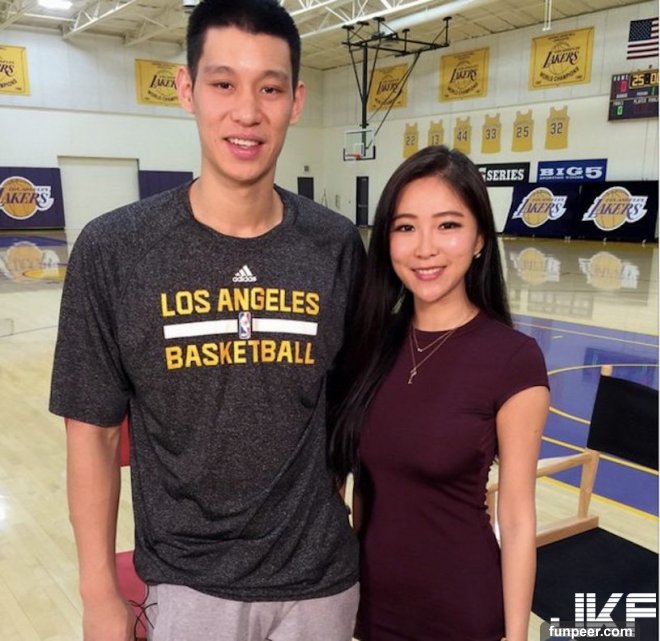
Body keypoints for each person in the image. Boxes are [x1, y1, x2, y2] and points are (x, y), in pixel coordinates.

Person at [50, 1, 363, 640]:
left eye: (269, 88)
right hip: (189, 587)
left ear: (296, 101)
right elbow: (94, 436)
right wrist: (98, 594)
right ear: (186, 89)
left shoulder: (335, 246)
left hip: (321, 583)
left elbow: (351, 411)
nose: (247, 112)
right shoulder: (114, 250)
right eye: (223, 84)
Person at [330, 145, 550, 641]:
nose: (425, 248)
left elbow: (517, 518)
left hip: (461, 611)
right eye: (406, 227)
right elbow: (362, 488)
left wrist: (517, 636)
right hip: (372, 607)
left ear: (479, 239)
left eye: (448, 225)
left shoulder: (513, 359)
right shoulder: (370, 344)